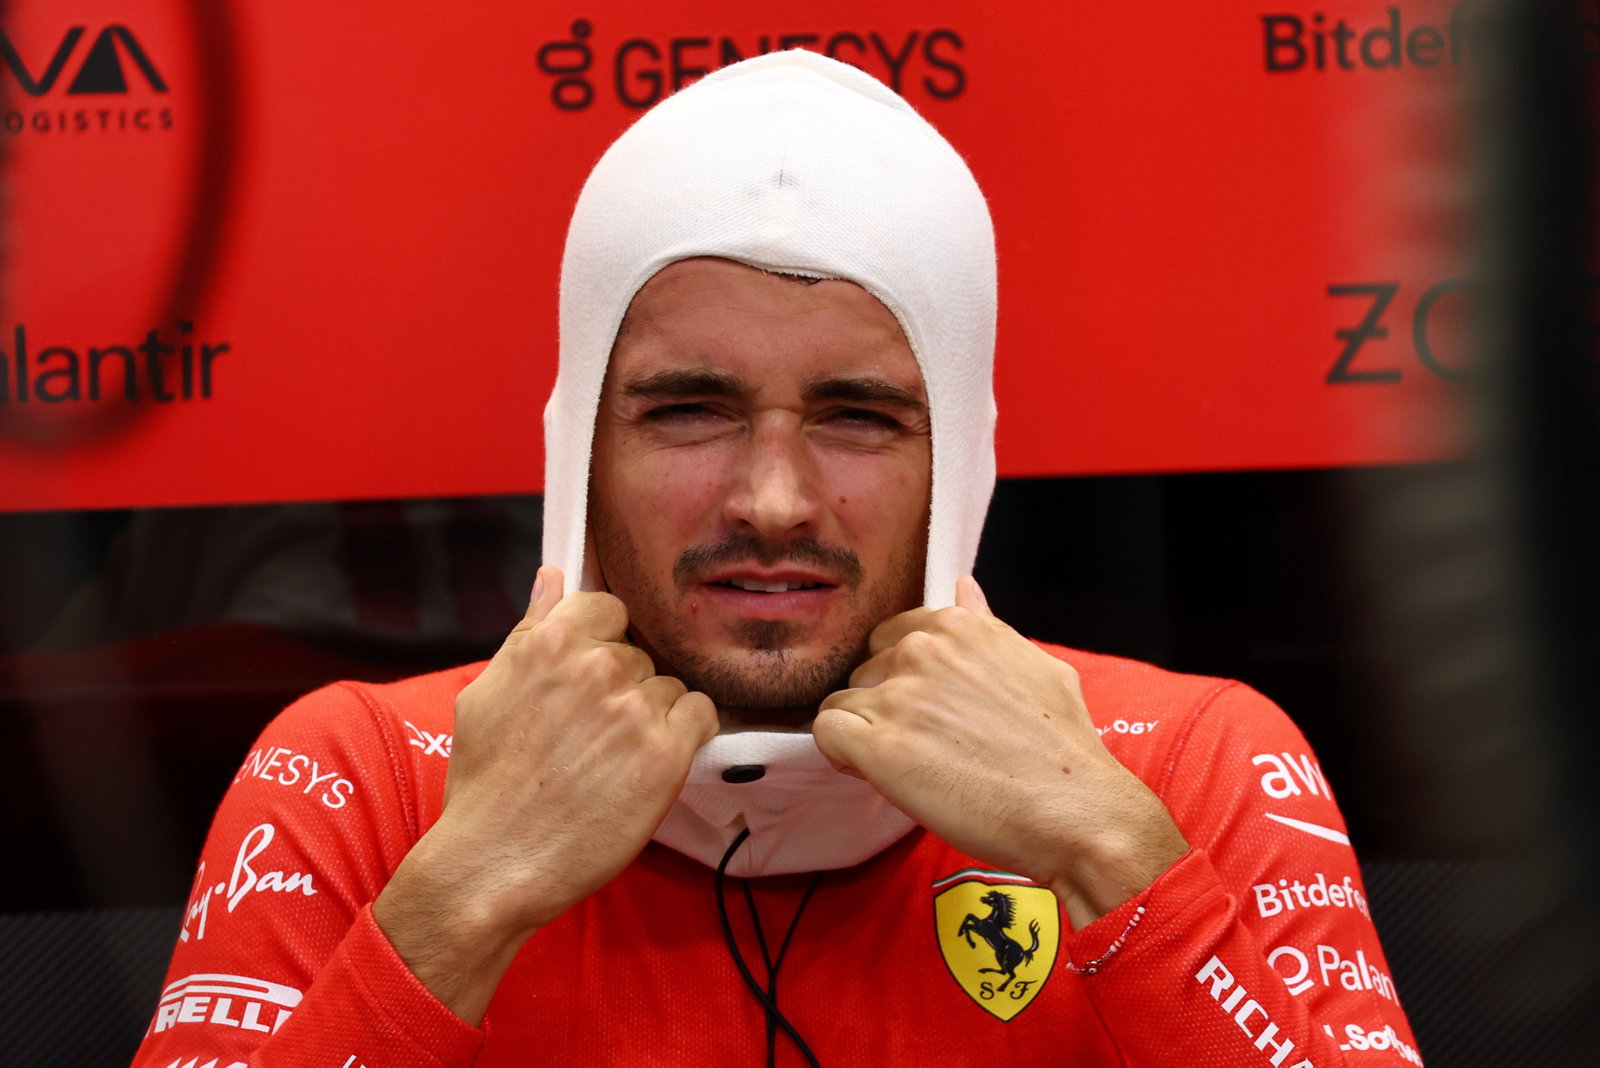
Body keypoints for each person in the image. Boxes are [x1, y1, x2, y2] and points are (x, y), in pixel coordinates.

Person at [133, 51, 1421, 1066]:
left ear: (958, 461)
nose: (772, 498)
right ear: (577, 447)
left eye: (859, 416)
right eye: (687, 408)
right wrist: (460, 897)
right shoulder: (364, 778)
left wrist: (1116, 863)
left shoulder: (1194, 764)